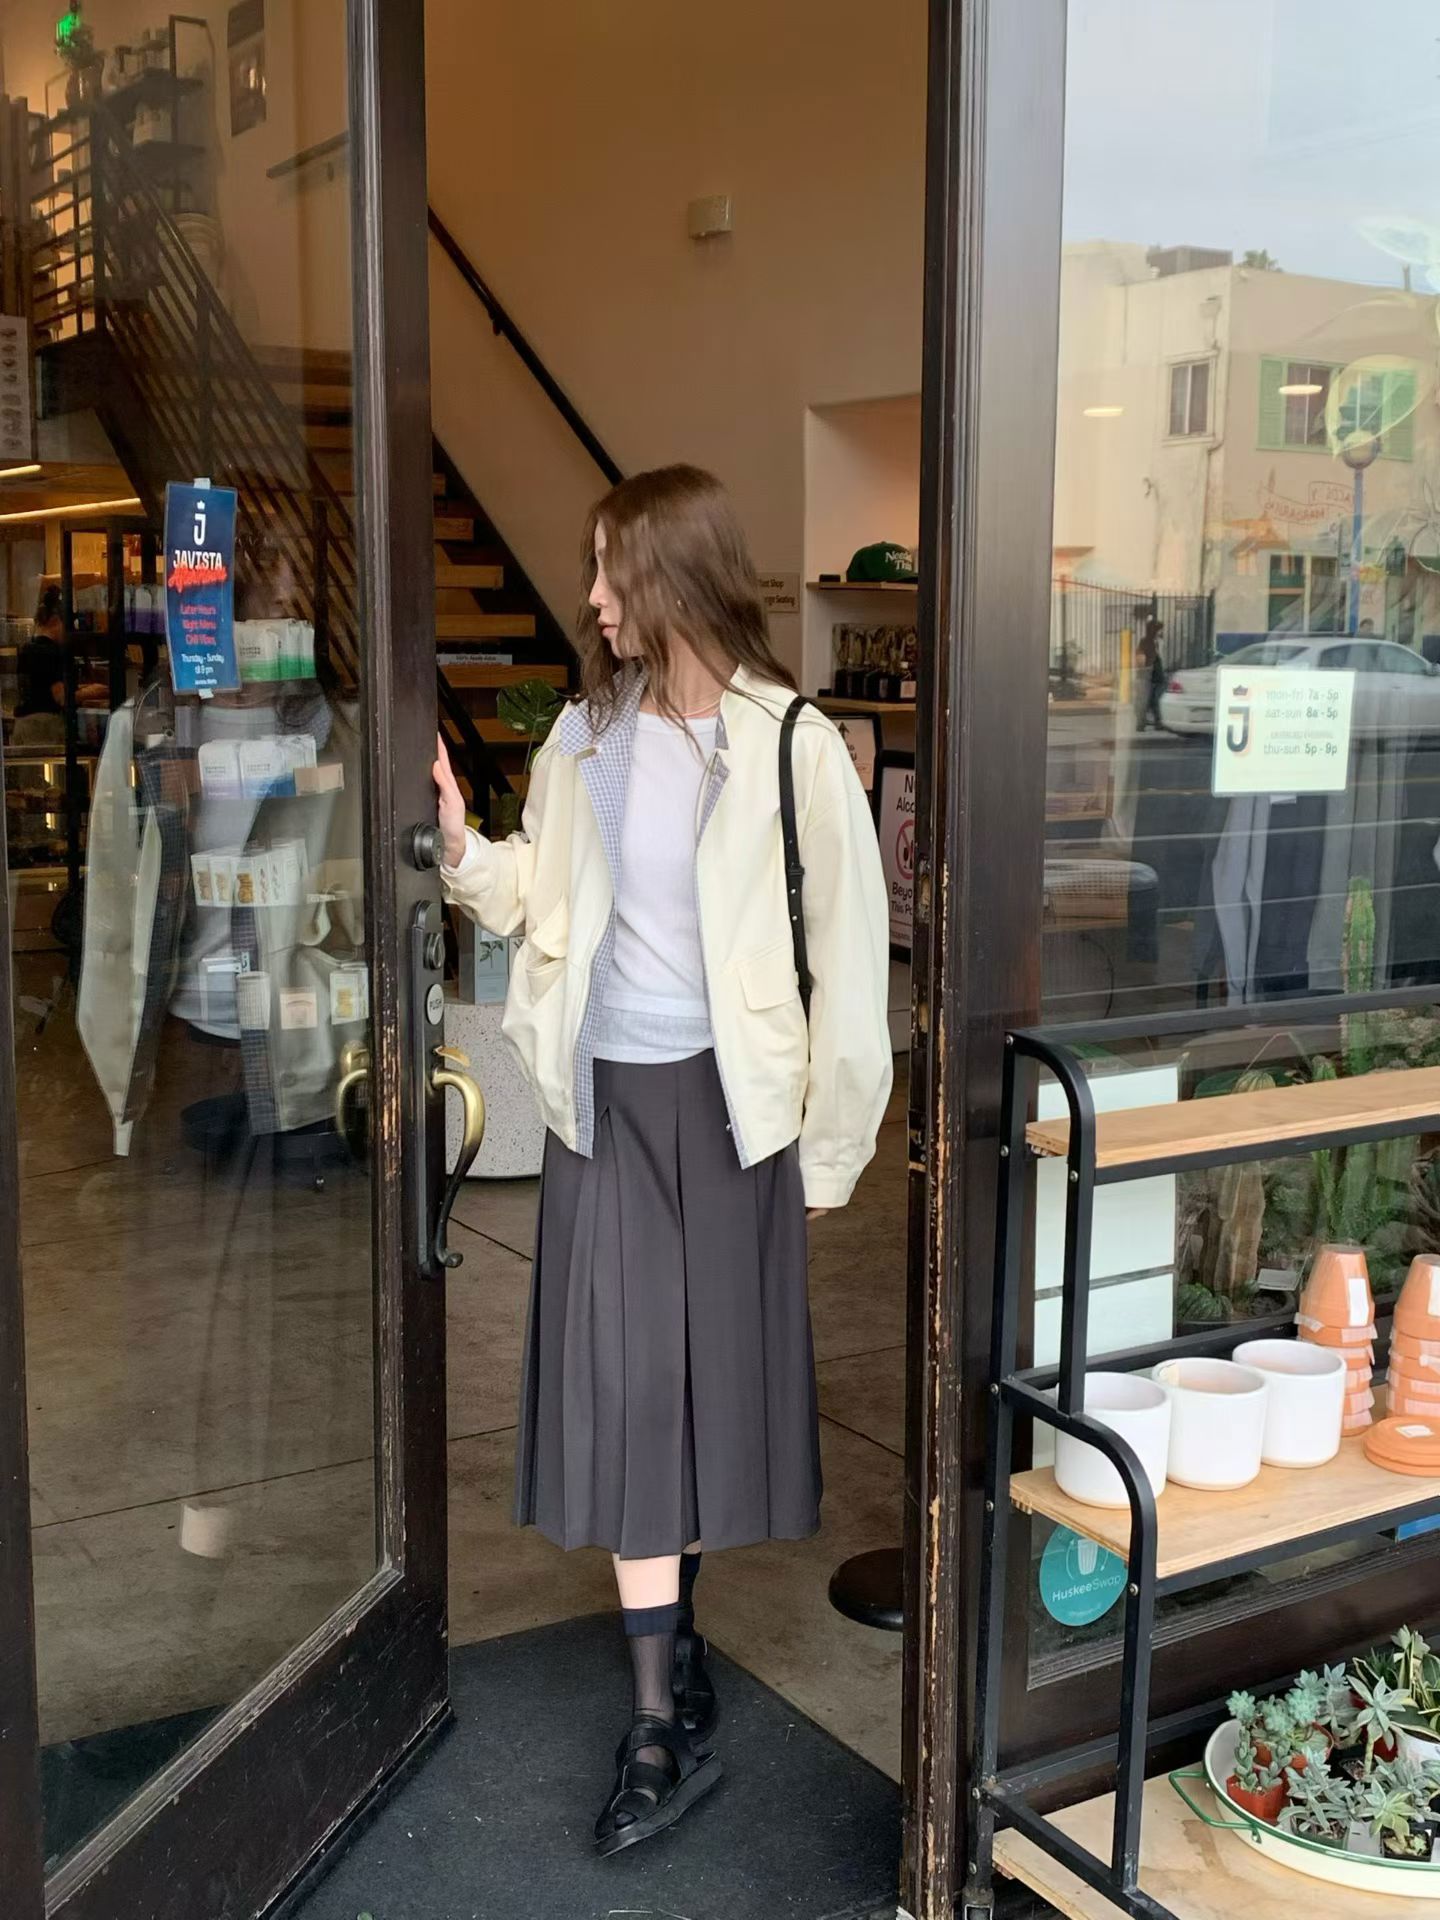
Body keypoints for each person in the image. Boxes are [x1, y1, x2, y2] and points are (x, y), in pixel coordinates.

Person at [433, 465, 892, 1855]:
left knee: (692, 1397)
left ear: (673, 576)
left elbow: (853, 971)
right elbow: (538, 889)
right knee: (635, 1392)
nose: (590, 597)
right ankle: (653, 1724)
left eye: (608, 570)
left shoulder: (792, 744)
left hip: (736, 1116)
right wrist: (461, 848)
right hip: (609, 1108)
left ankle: (675, 1633)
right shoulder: (587, 734)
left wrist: (826, 1158)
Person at [1136, 615, 1166, 731]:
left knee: (1155, 700)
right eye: (1159, 629)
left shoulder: (1157, 641)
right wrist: (1145, 669)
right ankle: (1141, 724)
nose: (1161, 631)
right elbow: (1141, 658)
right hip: (1148, 674)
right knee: (1145, 701)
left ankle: (1157, 723)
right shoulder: (1145, 641)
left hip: (1157, 675)